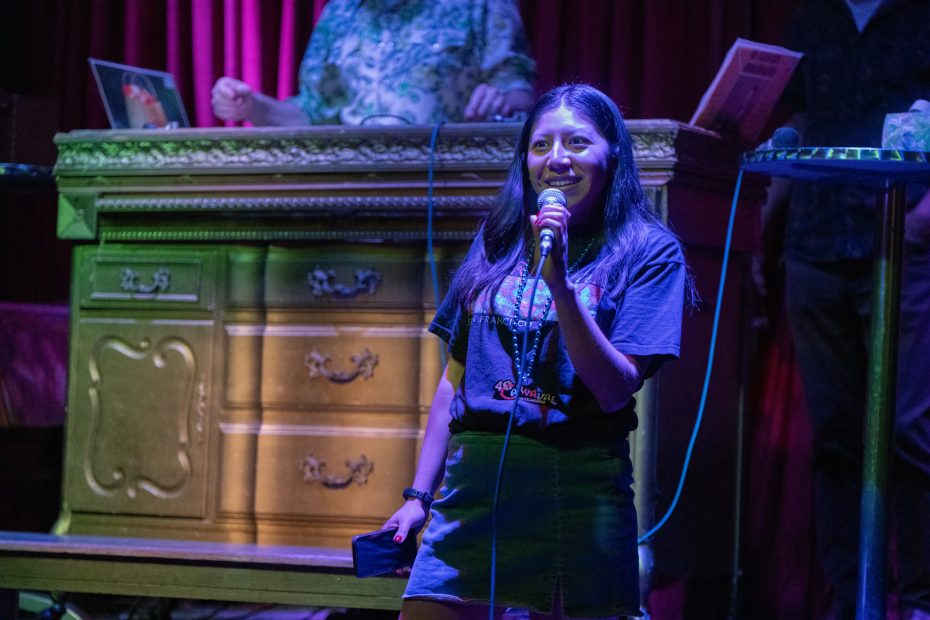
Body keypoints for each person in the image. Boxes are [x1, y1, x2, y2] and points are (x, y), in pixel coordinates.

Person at [381, 83, 689, 620]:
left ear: (612, 151)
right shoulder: (502, 236)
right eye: (541, 145)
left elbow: (616, 388)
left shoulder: (649, 250)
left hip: (573, 490)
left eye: (576, 143)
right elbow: (454, 379)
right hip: (473, 489)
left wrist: (562, 286)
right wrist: (418, 496)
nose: (557, 160)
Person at [758, 1, 930, 618]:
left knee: (910, 428)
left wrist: (923, 217)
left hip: (908, 245)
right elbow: (797, 123)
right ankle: (846, 600)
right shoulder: (811, 18)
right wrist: (768, 226)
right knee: (834, 434)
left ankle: (917, 599)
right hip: (818, 241)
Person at [211, 0, 536, 126]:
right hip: (356, 194)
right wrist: (252, 106)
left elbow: (522, 97)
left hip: (451, 191)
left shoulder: (478, 5)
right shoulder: (341, 12)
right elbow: (313, 114)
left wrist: (497, 105)